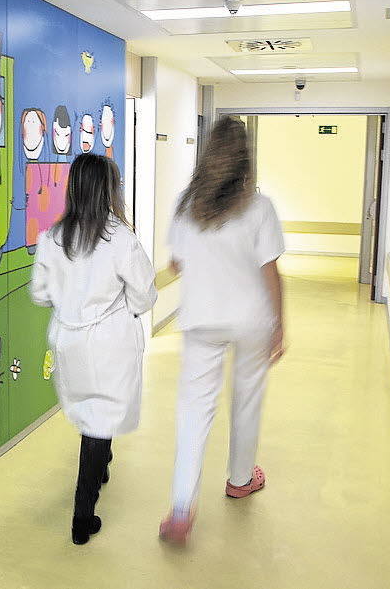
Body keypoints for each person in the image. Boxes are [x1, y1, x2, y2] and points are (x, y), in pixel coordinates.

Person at [159, 115, 286, 545]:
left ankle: (181, 507)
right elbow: (270, 271)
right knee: (247, 401)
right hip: (251, 319)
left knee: (194, 410)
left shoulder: (186, 205)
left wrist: (202, 259)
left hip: (202, 318)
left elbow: (176, 264)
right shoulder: (260, 206)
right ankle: (240, 479)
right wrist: (279, 325)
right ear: (245, 158)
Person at [30, 153, 157, 545]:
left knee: (93, 415)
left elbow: (40, 294)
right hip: (109, 344)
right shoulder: (121, 240)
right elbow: (144, 295)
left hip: (68, 342)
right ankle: (82, 518)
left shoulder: (51, 238)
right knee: (99, 423)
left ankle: (102, 465)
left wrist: (69, 301)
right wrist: (124, 308)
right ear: (108, 190)